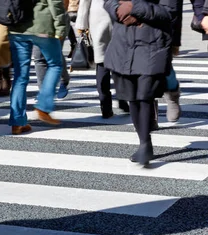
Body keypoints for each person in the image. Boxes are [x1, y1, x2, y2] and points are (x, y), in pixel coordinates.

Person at [104, 0, 177, 165]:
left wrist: (134, 9)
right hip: (122, 45)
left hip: (153, 45)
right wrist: (118, 11)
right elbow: (108, 2)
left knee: (145, 96)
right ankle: (144, 141)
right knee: (133, 98)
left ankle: (145, 145)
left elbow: (169, 11)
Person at [8, 0, 67, 134]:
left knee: (20, 76)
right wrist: (61, 27)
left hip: (17, 25)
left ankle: (17, 122)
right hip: (42, 25)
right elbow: (55, 3)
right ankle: (43, 106)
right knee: (55, 64)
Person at [76, 0, 129, 118]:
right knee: (119, 60)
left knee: (101, 61)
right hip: (118, 13)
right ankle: (122, 99)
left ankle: (105, 106)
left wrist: (81, 25)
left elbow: (85, 2)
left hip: (97, 15)